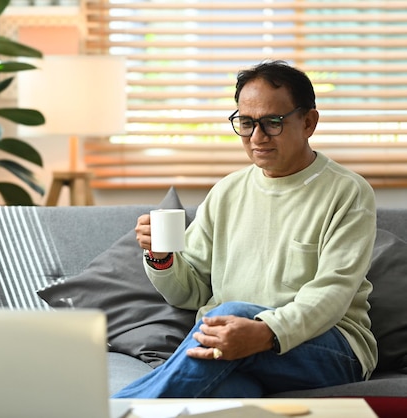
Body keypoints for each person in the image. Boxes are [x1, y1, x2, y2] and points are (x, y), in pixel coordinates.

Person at [113, 60, 378, 398]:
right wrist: (162, 258)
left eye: (272, 122)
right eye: (247, 123)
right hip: (232, 346)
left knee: (230, 314)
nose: (257, 137)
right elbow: (188, 292)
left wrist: (266, 332)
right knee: (229, 392)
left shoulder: (348, 192)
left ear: (309, 121)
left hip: (328, 348)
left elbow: (332, 294)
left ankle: (111, 409)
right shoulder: (227, 191)